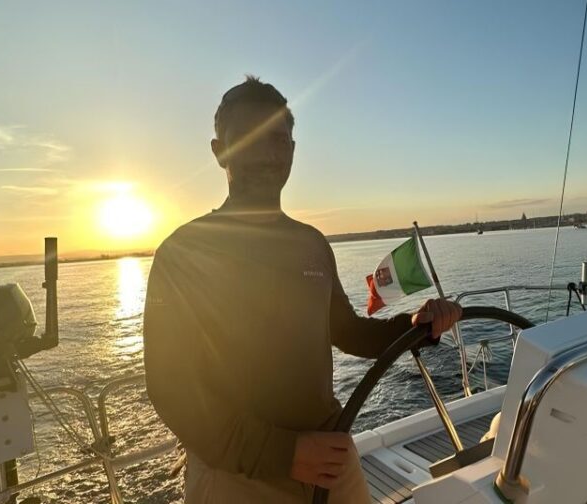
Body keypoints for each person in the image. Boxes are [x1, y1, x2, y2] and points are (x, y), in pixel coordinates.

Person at [143, 76, 462, 503]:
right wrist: (284, 454)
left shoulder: (311, 244)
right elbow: (171, 389)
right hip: (235, 475)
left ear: (292, 150)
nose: (270, 151)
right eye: (250, 138)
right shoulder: (183, 253)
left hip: (330, 460)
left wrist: (413, 325)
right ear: (220, 153)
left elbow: (347, 332)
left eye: (281, 138)